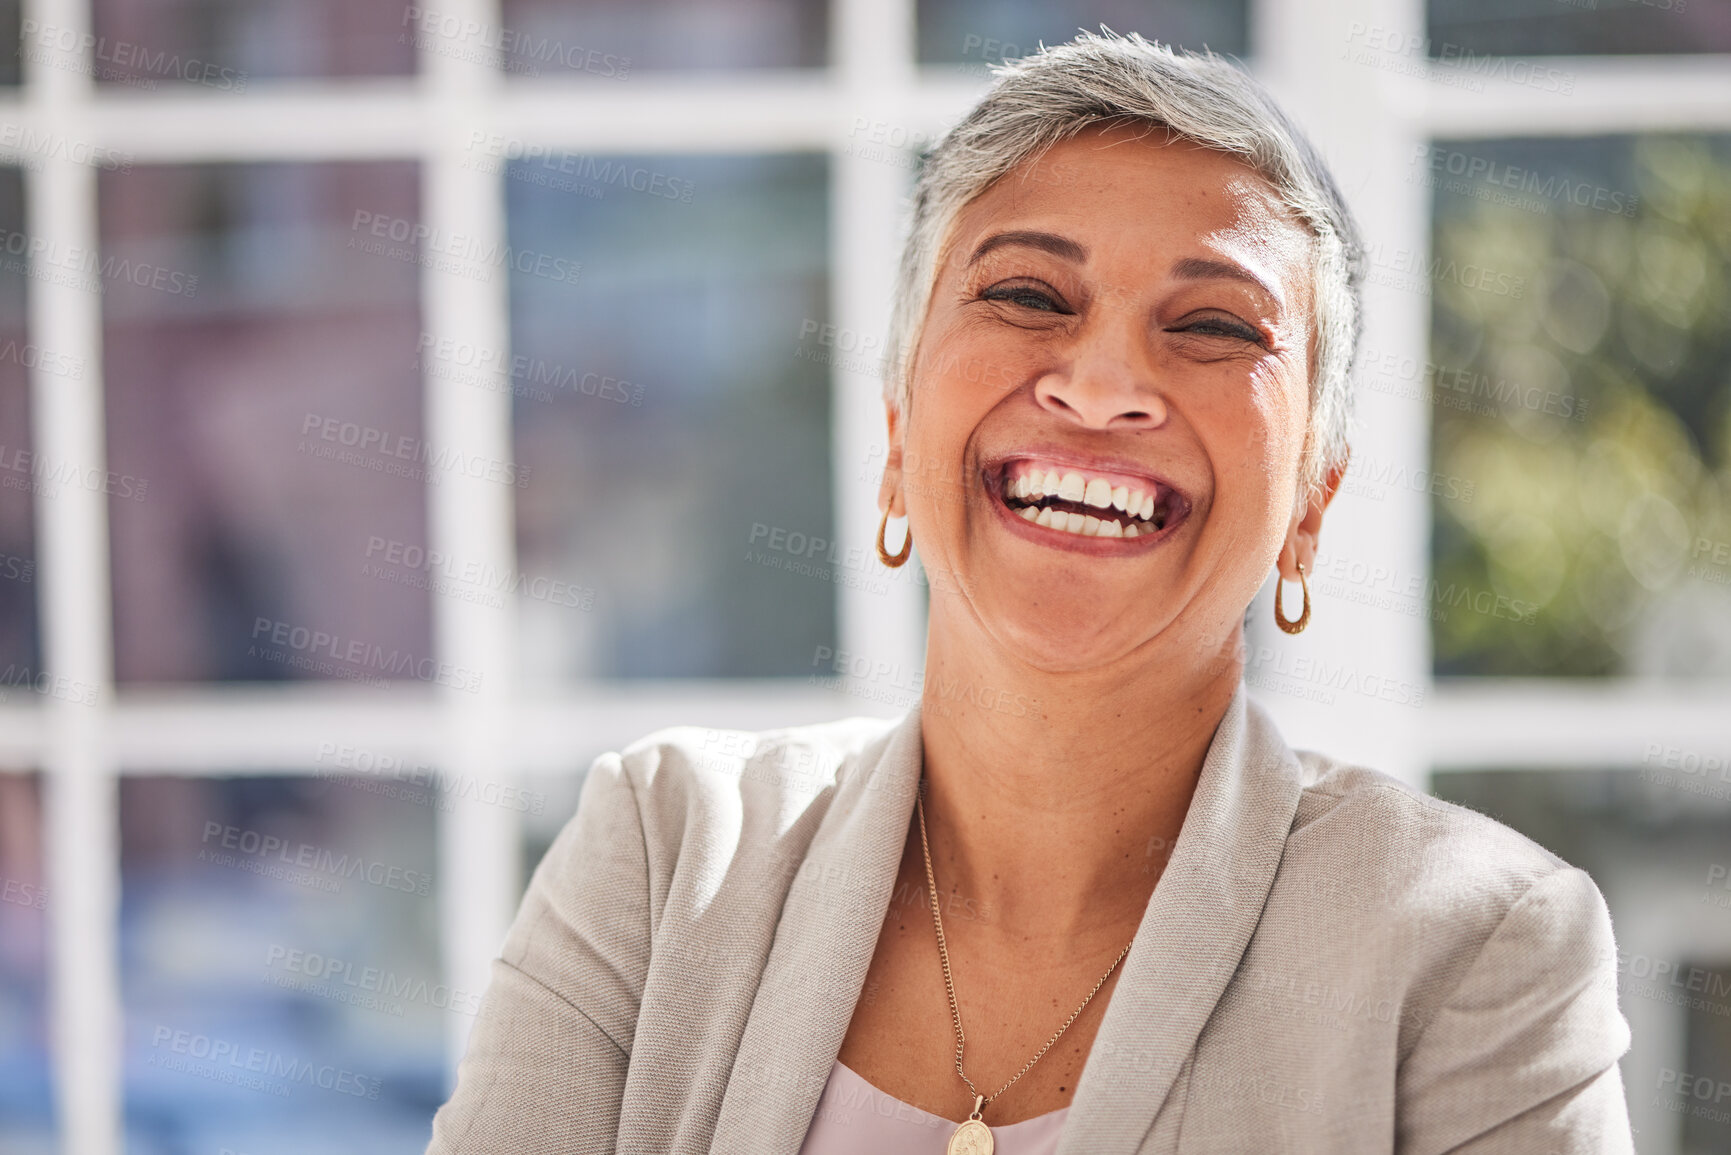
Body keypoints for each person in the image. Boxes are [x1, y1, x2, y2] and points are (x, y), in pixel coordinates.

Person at [425, 31, 1633, 1155]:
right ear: (898, 438)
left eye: (1214, 325)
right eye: (1027, 296)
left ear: (1312, 503)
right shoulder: (662, 850)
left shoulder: (1480, 947)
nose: (1104, 385)